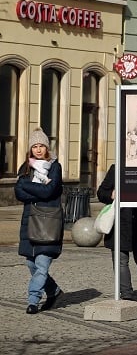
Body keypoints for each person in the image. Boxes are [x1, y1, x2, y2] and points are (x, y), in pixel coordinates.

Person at [15, 128, 64, 314]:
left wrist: (26, 185)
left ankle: (33, 301)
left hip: (48, 222)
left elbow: (49, 191)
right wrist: (36, 186)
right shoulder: (25, 167)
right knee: (31, 264)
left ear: (47, 147)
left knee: (42, 265)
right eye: (34, 146)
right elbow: (18, 193)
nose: (38, 149)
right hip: (29, 221)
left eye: (41, 145)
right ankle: (54, 291)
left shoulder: (55, 167)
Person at [97, 164, 137, 304]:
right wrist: (111, 195)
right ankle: (126, 293)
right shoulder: (116, 168)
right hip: (120, 222)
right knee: (121, 261)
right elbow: (101, 192)